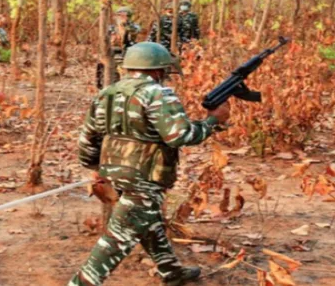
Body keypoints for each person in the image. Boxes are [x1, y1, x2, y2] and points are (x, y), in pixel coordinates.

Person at [69, 42, 231, 286]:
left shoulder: (107, 93)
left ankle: (172, 273)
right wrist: (212, 122)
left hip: (115, 172)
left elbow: (88, 137)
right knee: (116, 240)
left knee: (147, 221)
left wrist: (94, 169)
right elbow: (180, 136)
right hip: (144, 176)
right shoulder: (157, 93)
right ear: (157, 70)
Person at [97, 6, 142, 88]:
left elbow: (134, 31)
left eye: (124, 15)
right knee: (109, 75)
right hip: (112, 54)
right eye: (119, 15)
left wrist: (125, 24)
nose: (121, 17)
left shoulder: (134, 26)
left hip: (128, 54)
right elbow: (105, 39)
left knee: (127, 76)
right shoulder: (111, 28)